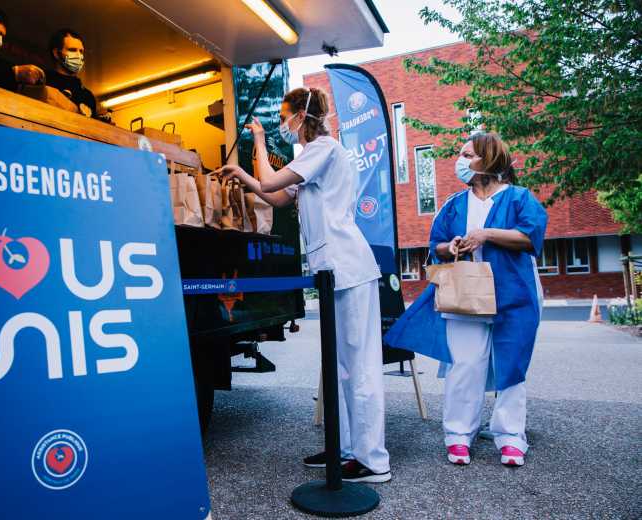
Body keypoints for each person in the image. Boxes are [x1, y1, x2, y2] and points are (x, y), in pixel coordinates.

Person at [215, 87, 391, 483]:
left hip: (349, 267)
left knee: (358, 367)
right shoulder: (312, 157)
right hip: (334, 270)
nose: (282, 124)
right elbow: (275, 195)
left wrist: (258, 143)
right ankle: (344, 449)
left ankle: (373, 460)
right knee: (341, 367)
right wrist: (242, 175)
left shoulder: (324, 149)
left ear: (301, 115)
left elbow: (271, 177)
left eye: (284, 115)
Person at [385, 132, 547, 467]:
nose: (460, 160)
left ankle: (511, 436)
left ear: (488, 160)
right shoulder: (455, 204)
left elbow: (529, 237)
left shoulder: (518, 198)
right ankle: (458, 436)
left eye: (468, 154)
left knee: (512, 367)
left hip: (514, 296)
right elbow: (437, 245)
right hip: (465, 296)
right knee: (465, 365)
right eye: (460, 154)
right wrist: (454, 244)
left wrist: (486, 234)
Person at [45, 29, 97, 117]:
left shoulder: (87, 96)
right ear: (56, 53)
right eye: (72, 50)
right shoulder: (43, 81)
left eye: (81, 51)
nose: (79, 56)